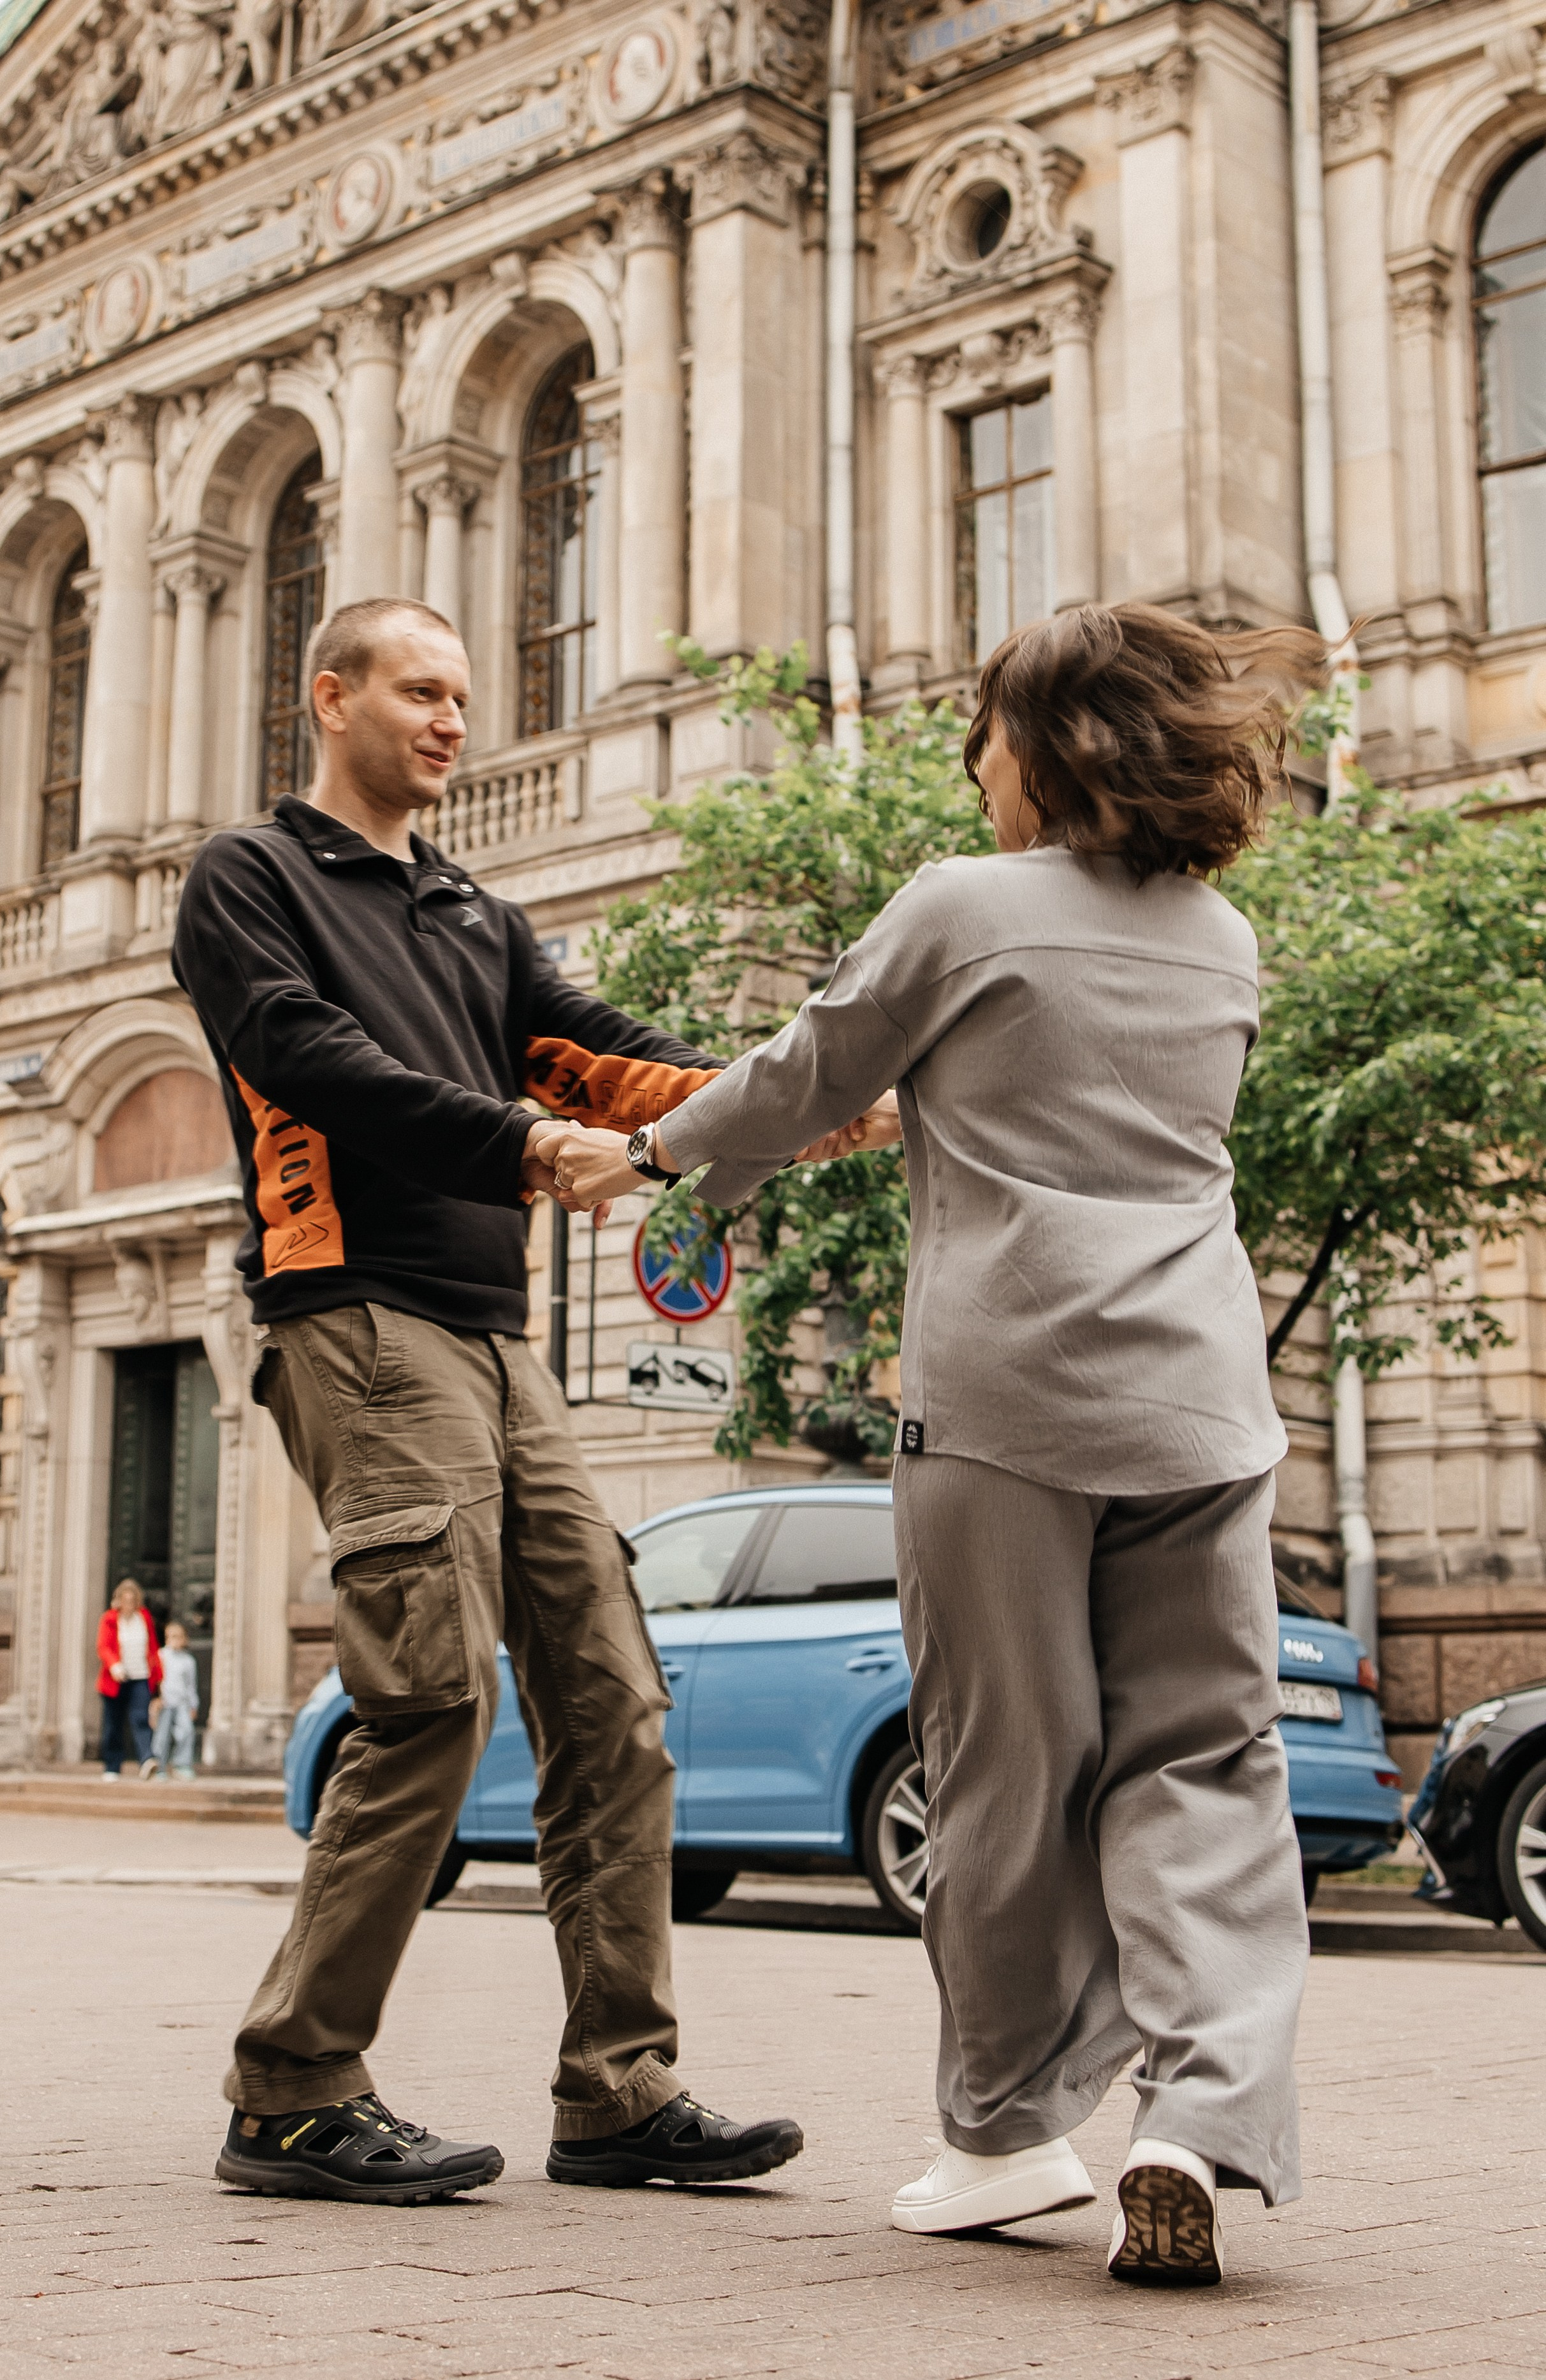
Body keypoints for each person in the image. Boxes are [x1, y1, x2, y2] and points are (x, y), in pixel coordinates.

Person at [553, 601, 1329, 2286]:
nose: (969, 767)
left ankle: (1001, 2133)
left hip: (1004, 1398)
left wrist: (653, 1158)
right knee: (1206, 1762)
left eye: (979, 736)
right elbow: (1068, 1092)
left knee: (1003, 1764)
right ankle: (1199, 2109)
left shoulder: (961, 903)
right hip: (1203, 1390)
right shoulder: (1223, 937)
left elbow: (805, 1067)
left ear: (1042, 747)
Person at [172, 594, 802, 2207]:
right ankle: (294, 2089)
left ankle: (618, 2090)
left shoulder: (467, 905)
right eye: (420, 690)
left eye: (463, 695)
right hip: (357, 1316)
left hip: (493, 1339)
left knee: (611, 1695)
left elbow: (591, 1054)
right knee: (431, 1695)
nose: (455, 718)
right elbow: (300, 1053)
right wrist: (520, 1148)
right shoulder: (254, 879)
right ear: (332, 698)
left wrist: (790, 1098)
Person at [96, 1579, 163, 1782]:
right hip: (116, 1680)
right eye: (125, 1599)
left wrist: (158, 1675)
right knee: (113, 1724)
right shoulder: (109, 1619)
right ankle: (112, 1766)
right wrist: (114, 1664)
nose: (129, 1603)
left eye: (132, 1599)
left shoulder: (144, 1618)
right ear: (119, 1600)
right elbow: (103, 1646)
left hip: (140, 1676)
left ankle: (146, 1760)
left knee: (141, 1719)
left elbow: (152, 1646)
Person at [144, 1620, 199, 1780]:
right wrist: (155, 1700)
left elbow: (191, 1685)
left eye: (179, 1637)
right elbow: (155, 1680)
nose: (176, 1640)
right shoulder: (161, 1656)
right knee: (162, 1735)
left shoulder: (188, 1661)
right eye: (172, 1636)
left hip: (182, 1702)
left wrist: (193, 1705)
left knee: (186, 1731)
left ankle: (182, 1764)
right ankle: (160, 1766)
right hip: (165, 1702)